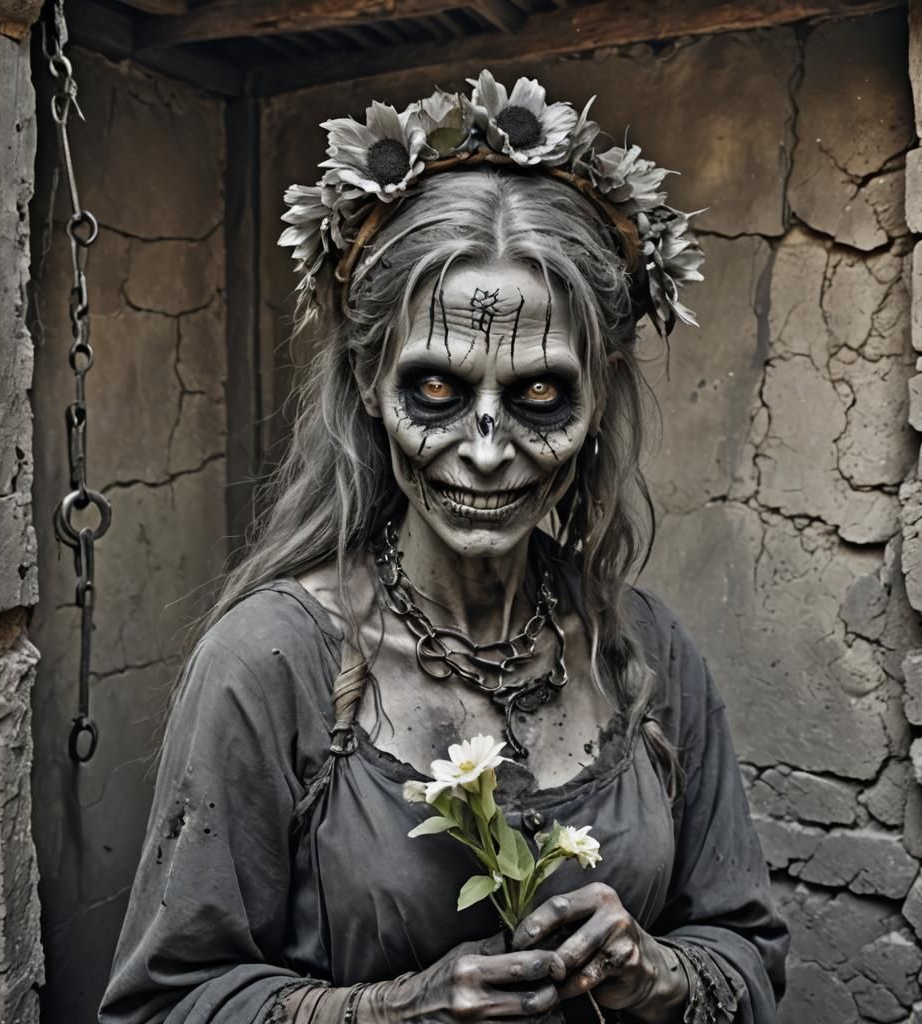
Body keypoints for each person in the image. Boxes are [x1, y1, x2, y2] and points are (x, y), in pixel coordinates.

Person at [99, 71, 789, 1024]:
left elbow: (746, 953)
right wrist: (388, 1013)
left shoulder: (648, 657)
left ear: (599, 401)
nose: (489, 448)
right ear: (368, 388)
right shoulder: (270, 668)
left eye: (541, 394)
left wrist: (661, 976)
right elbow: (161, 1007)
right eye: (436, 391)